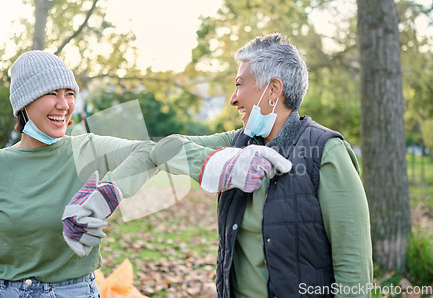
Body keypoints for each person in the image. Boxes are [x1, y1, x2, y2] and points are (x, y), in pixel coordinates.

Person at [151, 33, 372, 297]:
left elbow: (354, 269)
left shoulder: (326, 151)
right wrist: (226, 163)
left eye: (239, 84)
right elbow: (165, 149)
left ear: (273, 90)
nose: (233, 99)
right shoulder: (236, 143)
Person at [0, 50, 156, 297]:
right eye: (52, 93)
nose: (64, 105)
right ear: (24, 102)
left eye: (70, 94)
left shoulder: (87, 149)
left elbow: (149, 151)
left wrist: (108, 193)